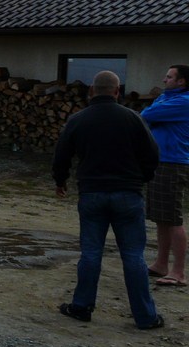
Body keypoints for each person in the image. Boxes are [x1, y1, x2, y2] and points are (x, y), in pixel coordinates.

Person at [51, 70, 163, 329]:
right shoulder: (133, 119)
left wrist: (60, 181)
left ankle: (81, 306)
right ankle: (145, 317)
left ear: (92, 91)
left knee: (91, 253)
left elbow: (62, 154)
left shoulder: (78, 119)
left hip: (92, 193)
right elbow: (152, 154)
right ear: (117, 91)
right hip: (128, 194)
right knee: (133, 255)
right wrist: (143, 178)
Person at [142, 65, 189, 287]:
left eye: (169, 77)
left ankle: (178, 272)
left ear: (182, 81)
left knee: (172, 218)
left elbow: (147, 115)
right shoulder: (167, 98)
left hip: (173, 162)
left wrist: (157, 113)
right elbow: (148, 118)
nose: (164, 80)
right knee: (161, 217)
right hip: (161, 161)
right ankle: (161, 264)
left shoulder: (184, 101)